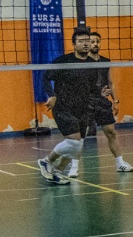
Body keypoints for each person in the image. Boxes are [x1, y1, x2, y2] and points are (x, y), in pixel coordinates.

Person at [38, 26, 106, 185]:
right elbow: (45, 77)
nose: (85, 44)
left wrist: (100, 91)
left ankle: (57, 171)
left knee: (77, 146)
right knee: (74, 141)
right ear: (74, 44)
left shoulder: (92, 64)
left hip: (82, 109)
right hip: (63, 107)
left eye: (87, 41)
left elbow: (90, 86)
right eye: (81, 41)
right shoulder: (63, 61)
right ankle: (46, 161)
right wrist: (52, 95)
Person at [69, 31, 133, 177]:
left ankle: (120, 163)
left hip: (102, 102)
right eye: (92, 42)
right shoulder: (83, 62)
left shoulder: (105, 61)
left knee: (111, 132)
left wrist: (115, 101)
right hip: (86, 102)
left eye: (97, 42)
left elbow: (111, 82)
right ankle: (74, 167)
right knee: (80, 136)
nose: (95, 44)